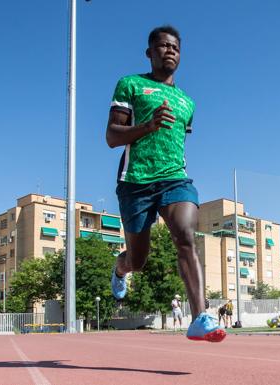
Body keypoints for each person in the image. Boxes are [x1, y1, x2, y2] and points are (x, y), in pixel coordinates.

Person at [106, 25, 225, 343]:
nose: (169, 50)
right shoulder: (130, 84)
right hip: (135, 183)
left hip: (175, 179)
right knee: (139, 261)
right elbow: (112, 137)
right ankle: (121, 268)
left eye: (175, 47)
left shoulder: (187, 102)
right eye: (162, 46)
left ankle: (200, 317)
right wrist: (148, 125)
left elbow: (176, 142)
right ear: (150, 52)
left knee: (186, 235)